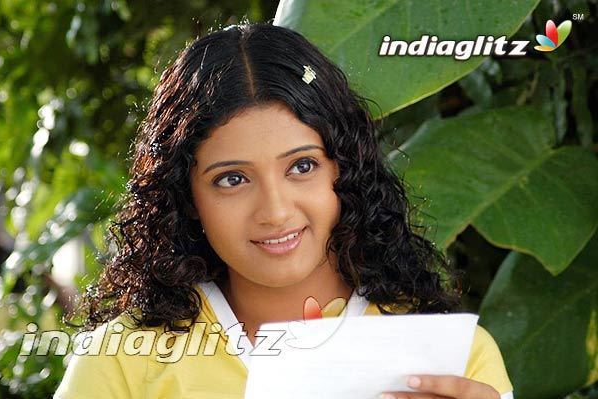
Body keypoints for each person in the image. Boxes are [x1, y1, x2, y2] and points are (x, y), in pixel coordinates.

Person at [53, 21, 513, 399]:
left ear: (345, 170)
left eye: (302, 166)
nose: (274, 211)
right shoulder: (119, 363)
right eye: (232, 179)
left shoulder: (451, 361)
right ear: (186, 197)